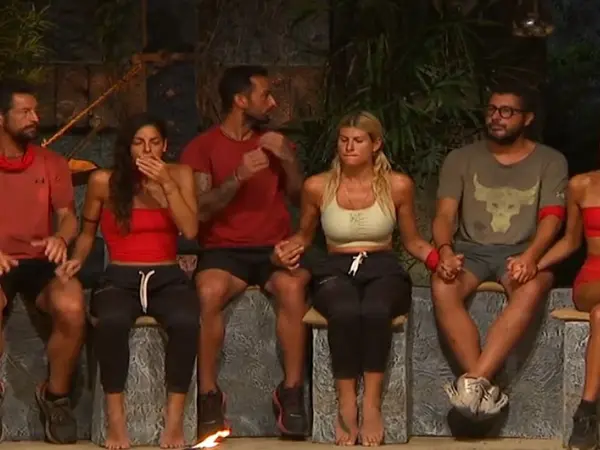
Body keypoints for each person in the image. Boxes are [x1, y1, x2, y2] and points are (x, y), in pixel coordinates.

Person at [273, 111, 442, 446]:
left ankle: (372, 405)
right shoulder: (317, 186)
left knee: (376, 310)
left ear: (375, 144)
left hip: (383, 266)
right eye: (344, 140)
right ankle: (347, 402)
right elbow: (304, 236)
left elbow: (413, 241)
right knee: (345, 310)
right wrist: (285, 250)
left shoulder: (397, 185)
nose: (349, 147)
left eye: (358, 140)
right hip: (335, 267)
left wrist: (440, 260)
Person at [180, 65, 309, 439]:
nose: (272, 102)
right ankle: (208, 395)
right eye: (265, 95)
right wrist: (237, 177)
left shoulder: (276, 143)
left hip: (273, 248)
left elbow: (300, 199)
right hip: (224, 250)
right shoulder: (202, 147)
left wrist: (288, 160)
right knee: (208, 292)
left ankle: (291, 393)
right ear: (240, 100)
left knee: (292, 288)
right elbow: (200, 210)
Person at [56, 113, 200, 450]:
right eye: (138, 143)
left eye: (154, 143)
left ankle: (173, 422)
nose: (147, 150)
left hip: (167, 275)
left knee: (185, 322)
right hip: (120, 276)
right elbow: (87, 234)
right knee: (112, 322)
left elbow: (191, 230)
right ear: (127, 147)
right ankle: (116, 421)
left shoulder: (180, 174)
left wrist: (166, 184)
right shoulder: (103, 181)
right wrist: (76, 259)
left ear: (164, 146)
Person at [431, 81, 568, 420]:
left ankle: (472, 382)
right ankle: (482, 384)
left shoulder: (550, 160)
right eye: (492, 109)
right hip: (471, 251)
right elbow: (445, 215)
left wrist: (531, 257)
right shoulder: (460, 159)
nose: (496, 117)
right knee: (442, 284)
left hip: (522, 249)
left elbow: (552, 218)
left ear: (527, 118)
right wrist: (445, 250)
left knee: (531, 287)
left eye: (507, 111)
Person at [0, 78, 85, 444]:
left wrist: (60, 238)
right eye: (25, 112)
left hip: (40, 260)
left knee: (72, 306)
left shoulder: (52, 162)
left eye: (36, 111)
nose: (35, 118)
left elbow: (68, 216)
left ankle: (55, 396)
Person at [537, 172, 600, 450]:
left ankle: (586, 412)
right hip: (593, 279)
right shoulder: (581, 185)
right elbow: (570, 241)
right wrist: (532, 265)